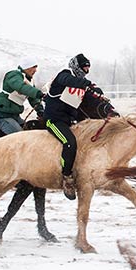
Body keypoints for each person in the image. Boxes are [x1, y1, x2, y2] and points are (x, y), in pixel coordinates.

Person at [43, 53, 94, 200]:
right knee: (70, 143)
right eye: (84, 67)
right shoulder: (64, 75)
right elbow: (69, 80)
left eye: (88, 68)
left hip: (68, 121)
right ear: (76, 66)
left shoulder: (80, 82)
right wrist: (87, 84)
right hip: (53, 120)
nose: (86, 71)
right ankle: (66, 177)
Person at [0, 58, 44, 134]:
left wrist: (40, 110)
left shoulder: (30, 81)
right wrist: (39, 94)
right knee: (20, 137)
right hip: (3, 116)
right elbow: (21, 87)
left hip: (15, 116)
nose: (35, 70)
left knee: (29, 132)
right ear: (27, 67)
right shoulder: (13, 75)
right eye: (34, 67)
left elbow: (33, 98)